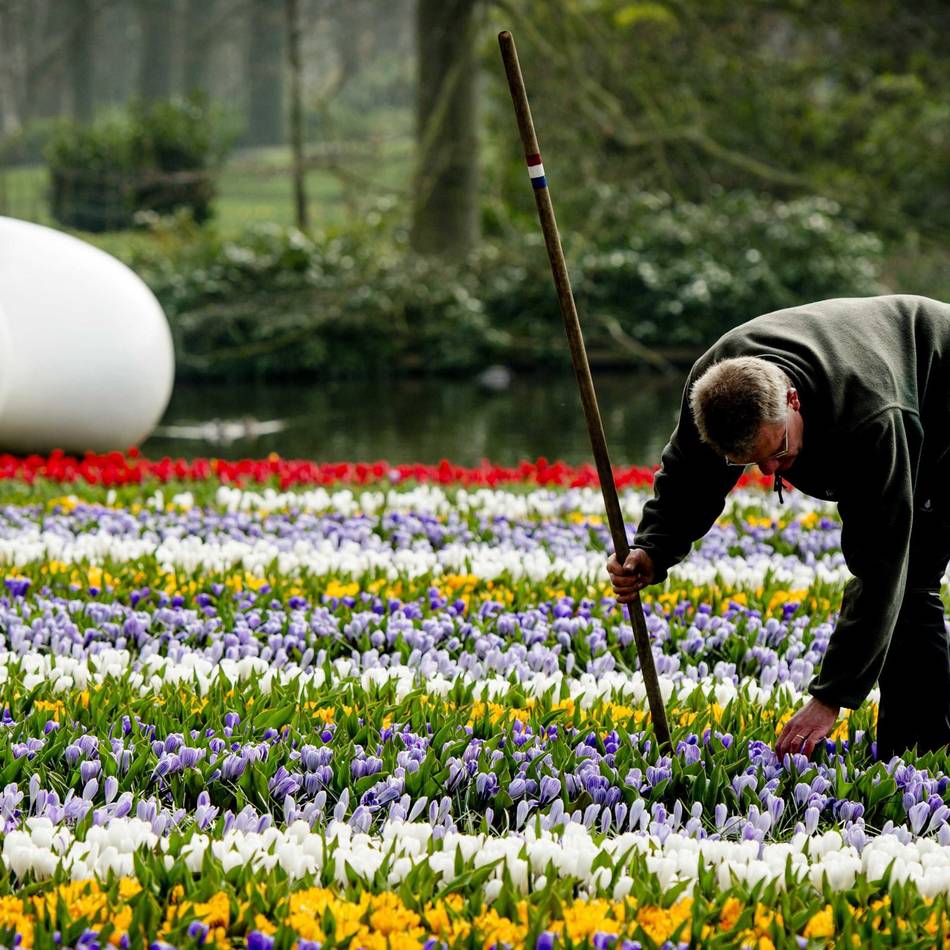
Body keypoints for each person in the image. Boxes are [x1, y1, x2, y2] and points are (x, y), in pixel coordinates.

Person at [606, 295, 950, 761]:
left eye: (779, 450)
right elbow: (690, 473)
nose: (769, 471)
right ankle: (913, 753)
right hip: (885, 372)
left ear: (792, 399)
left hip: (938, 390)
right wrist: (652, 549)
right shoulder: (715, 388)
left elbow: (883, 563)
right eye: (748, 463)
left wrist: (831, 697)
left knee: (911, 585)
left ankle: (921, 756)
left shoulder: (871, 416)